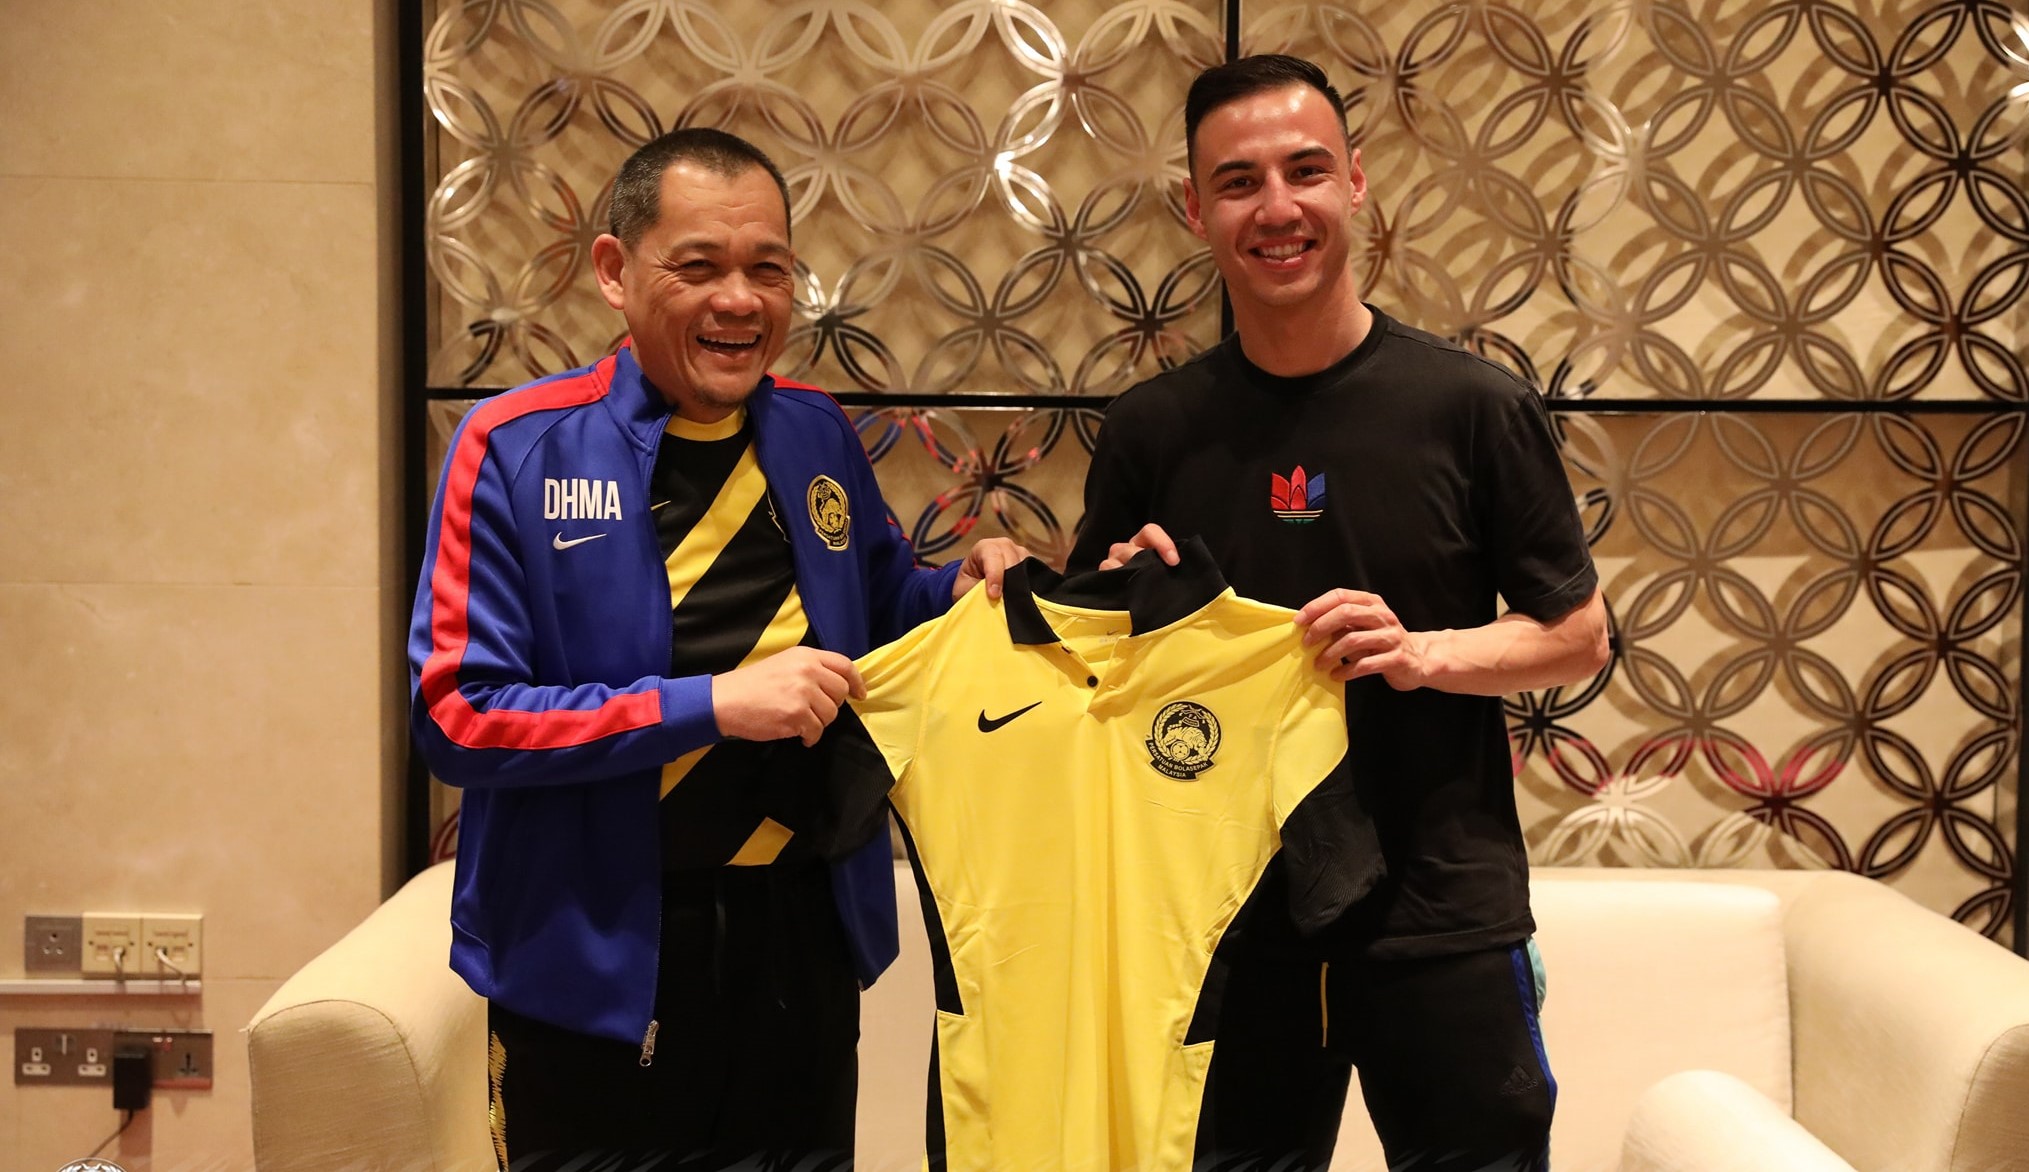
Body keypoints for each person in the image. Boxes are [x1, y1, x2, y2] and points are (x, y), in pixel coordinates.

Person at [407, 126, 1024, 1170]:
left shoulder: (817, 432)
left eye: (767, 269)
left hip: (800, 940)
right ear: (616, 270)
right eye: (697, 266)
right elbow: (458, 716)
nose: (739, 300)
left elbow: (886, 610)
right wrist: (710, 704)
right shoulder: (514, 445)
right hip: (591, 960)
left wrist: (964, 589)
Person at [1068, 55, 1611, 1172]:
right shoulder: (1150, 428)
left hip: (1440, 910)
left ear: (1355, 183)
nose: (1277, 208)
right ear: (1195, 210)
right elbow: (1086, 680)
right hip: (1221, 922)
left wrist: (1421, 652)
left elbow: (1576, 634)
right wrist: (1110, 603)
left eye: (1305, 171)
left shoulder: (1471, 405)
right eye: (1238, 182)